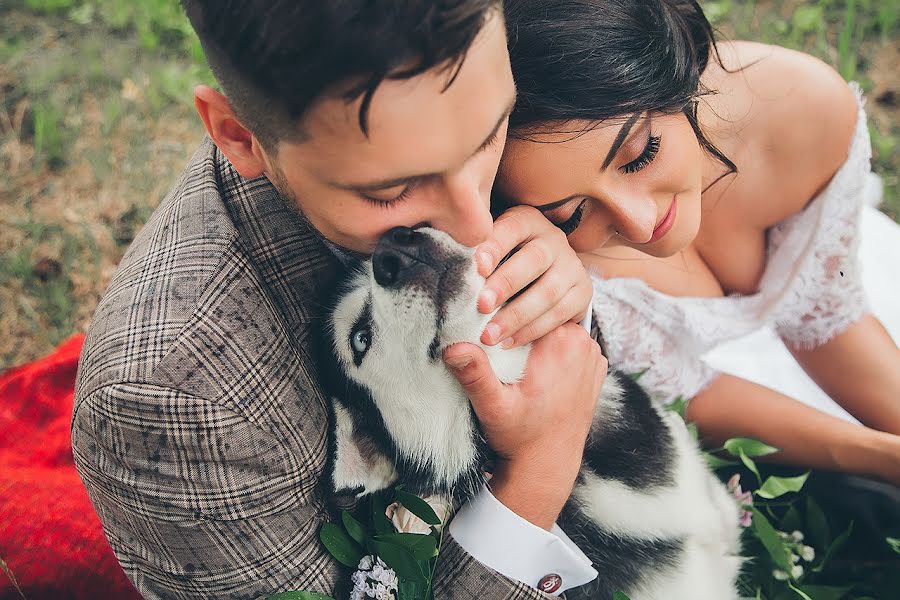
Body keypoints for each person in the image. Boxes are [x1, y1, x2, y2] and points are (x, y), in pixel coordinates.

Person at [71, 1, 608, 597]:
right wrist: (534, 473)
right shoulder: (180, 401)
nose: (476, 224)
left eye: (489, 139)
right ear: (237, 136)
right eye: (394, 191)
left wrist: (557, 306)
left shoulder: (457, 80)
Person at [494, 0, 900, 484]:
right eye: (573, 214)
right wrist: (878, 455)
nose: (640, 224)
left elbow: (821, 310)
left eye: (642, 154)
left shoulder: (799, 108)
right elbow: (691, 393)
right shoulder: (546, 269)